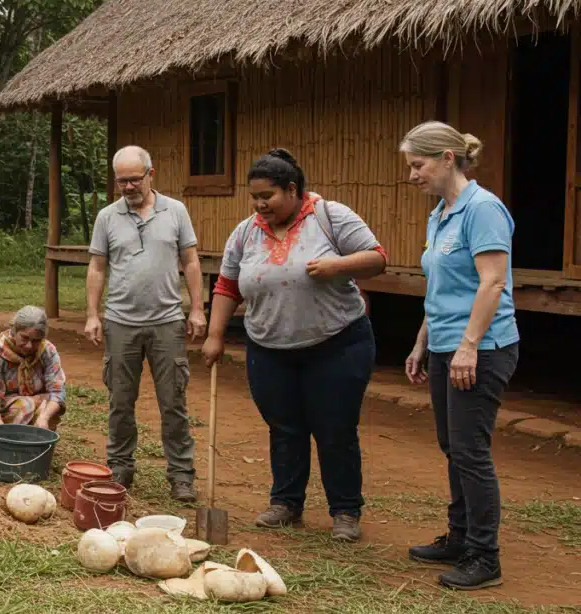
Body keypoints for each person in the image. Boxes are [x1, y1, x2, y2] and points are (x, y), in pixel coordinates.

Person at [201, 149, 387, 543]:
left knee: (335, 428)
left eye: (267, 196)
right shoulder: (246, 232)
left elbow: (376, 259)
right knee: (284, 427)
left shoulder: (331, 216)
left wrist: (337, 266)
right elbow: (227, 285)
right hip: (269, 348)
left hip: (336, 343)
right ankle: (286, 502)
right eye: (254, 197)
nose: (259, 204)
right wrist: (215, 335)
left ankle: (345, 511)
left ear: (292, 189)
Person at [400, 122, 519, 591]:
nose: (412, 175)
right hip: (447, 342)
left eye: (418, 164)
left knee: (471, 450)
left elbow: (492, 282)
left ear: (448, 157)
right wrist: (422, 341)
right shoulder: (441, 212)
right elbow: (442, 286)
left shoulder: (483, 209)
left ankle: (484, 556)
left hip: (482, 348)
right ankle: (461, 536)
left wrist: (468, 346)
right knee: (453, 446)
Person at [85, 145, 207, 502]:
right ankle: (120, 467)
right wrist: (93, 314)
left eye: (134, 180)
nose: (127, 187)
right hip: (121, 323)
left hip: (167, 321)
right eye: (121, 181)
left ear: (151, 175)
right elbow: (96, 267)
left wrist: (197, 309)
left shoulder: (176, 211)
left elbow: (192, 262)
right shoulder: (107, 217)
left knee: (173, 401)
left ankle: (181, 475)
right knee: (121, 400)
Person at [0, 306, 66, 459]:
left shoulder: (48, 351)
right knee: (26, 405)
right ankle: (1, 445)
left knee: (47, 407)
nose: (30, 346)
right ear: (14, 330)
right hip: (6, 408)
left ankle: (33, 450)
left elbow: (57, 391)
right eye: (24, 338)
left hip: (38, 404)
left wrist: (44, 418)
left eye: (36, 341)